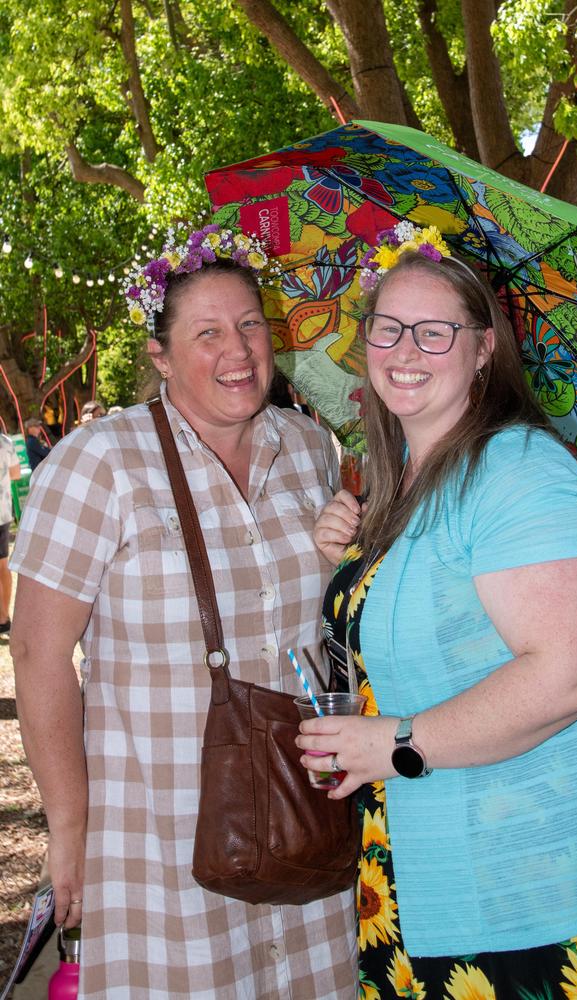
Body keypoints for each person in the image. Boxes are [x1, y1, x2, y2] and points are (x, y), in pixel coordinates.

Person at [300, 223, 577, 998]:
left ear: (484, 348)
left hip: (539, 881)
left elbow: (572, 671)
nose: (406, 349)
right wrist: (352, 566)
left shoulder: (519, 471)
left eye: (435, 331)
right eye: (388, 328)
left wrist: (390, 743)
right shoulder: (403, 484)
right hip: (423, 868)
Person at [10, 223, 357, 999]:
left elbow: (323, 625)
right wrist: (69, 826)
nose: (237, 350)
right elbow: (37, 654)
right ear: (161, 357)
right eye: (207, 333)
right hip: (159, 833)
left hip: (302, 818)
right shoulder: (101, 463)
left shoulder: (310, 448)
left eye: (250, 325)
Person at [0, 433, 20, 634]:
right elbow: (16, 474)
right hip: (1, 513)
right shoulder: (5, 442)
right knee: (2, 567)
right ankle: (3, 618)